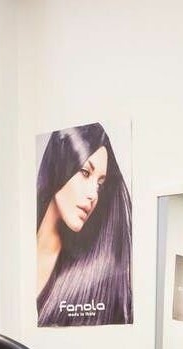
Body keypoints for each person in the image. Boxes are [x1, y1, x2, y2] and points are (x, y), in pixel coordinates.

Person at [35, 123, 132, 326]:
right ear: (60, 164)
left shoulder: (88, 275)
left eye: (100, 183)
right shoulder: (18, 252)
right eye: (86, 173)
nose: (93, 195)